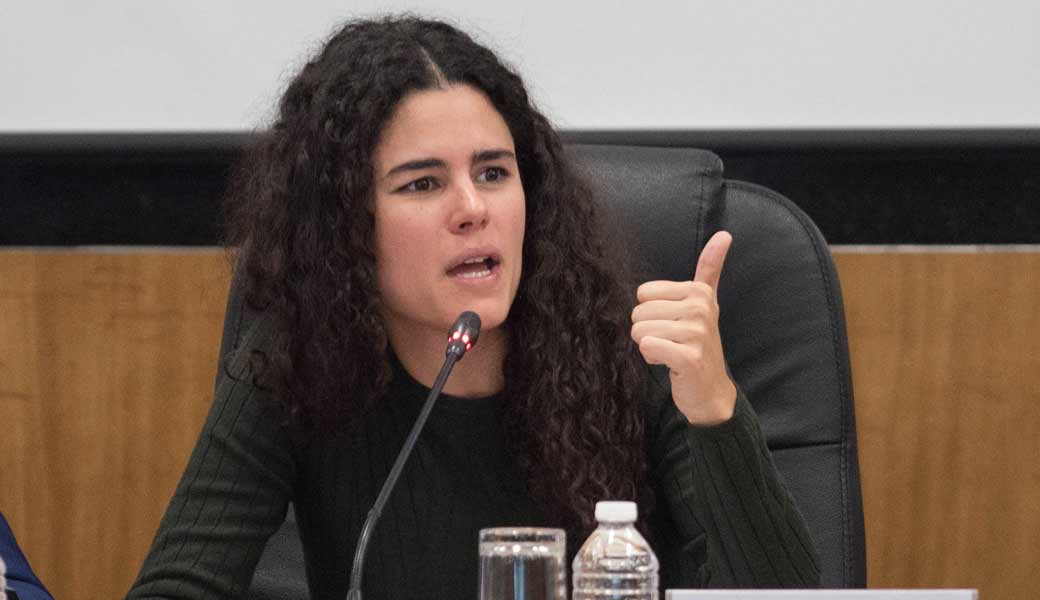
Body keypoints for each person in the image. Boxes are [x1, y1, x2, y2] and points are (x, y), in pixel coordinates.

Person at [127, 15, 820, 599]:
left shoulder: (633, 351)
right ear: (346, 226)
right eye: (422, 183)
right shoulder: (296, 364)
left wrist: (714, 409)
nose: (472, 209)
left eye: (493, 172)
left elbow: (782, 597)